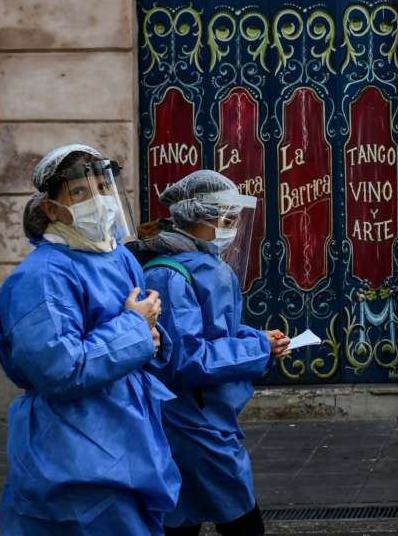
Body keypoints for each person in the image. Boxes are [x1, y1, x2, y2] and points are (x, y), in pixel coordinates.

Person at [0, 144, 180, 535]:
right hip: (75, 451)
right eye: (79, 192)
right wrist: (135, 327)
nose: (99, 200)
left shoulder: (118, 257)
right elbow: (59, 368)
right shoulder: (41, 277)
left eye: (103, 186)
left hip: (126, 436)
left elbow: (136, 335)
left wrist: (151, 335)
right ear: (49, 209)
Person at [129, 170, 290, 536]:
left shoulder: (197, 266)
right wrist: (257, 348)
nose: (232, 227)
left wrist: (258, 339)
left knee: (183, 517)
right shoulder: (171, 274)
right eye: (226, 218)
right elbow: (187, 359)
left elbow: (216, 332)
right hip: (192, 420)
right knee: (240, 520)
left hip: (201, 415)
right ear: (198, 219)